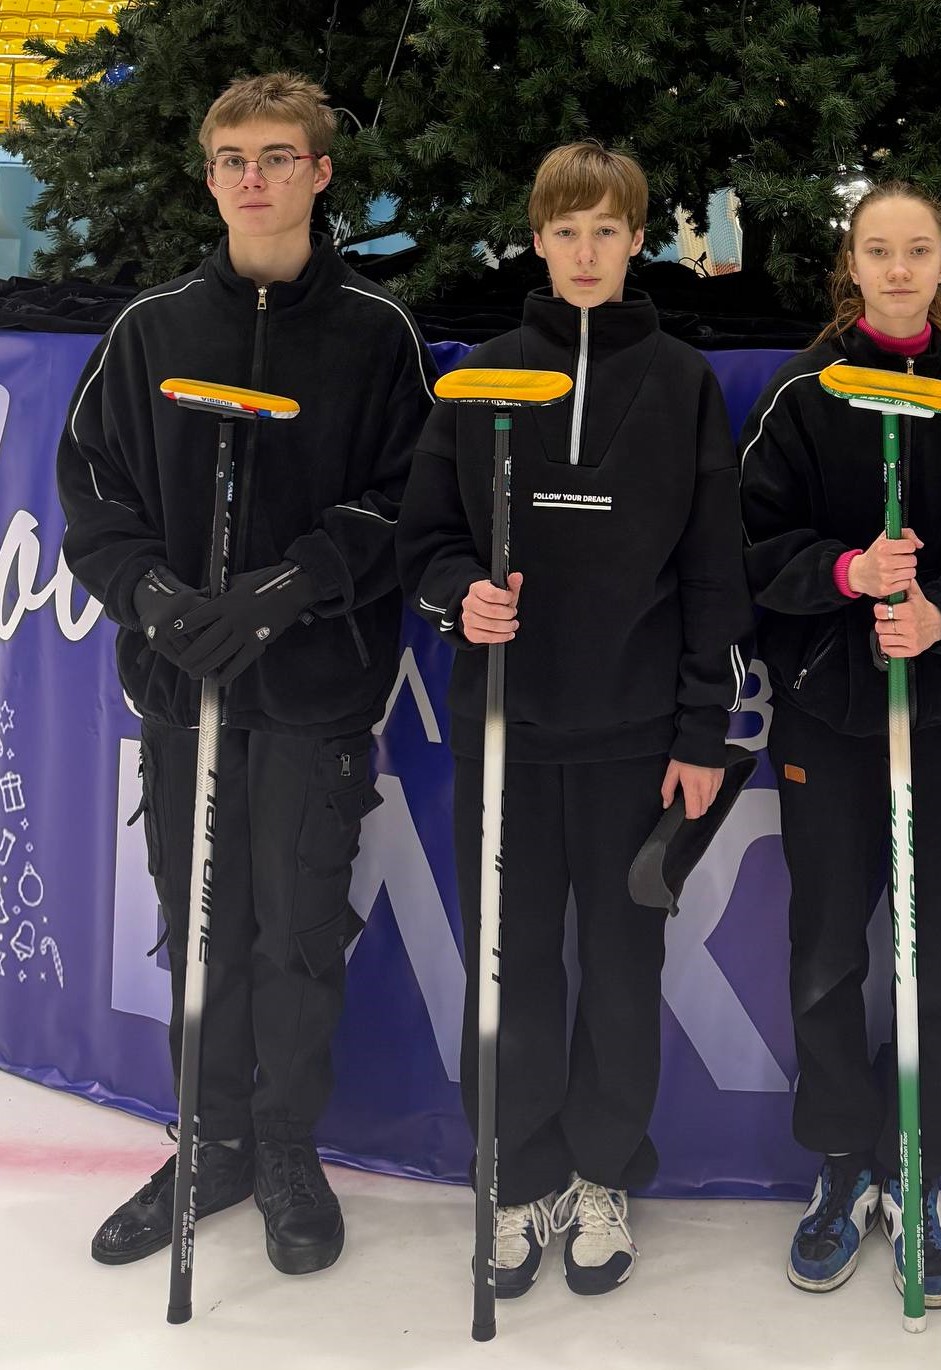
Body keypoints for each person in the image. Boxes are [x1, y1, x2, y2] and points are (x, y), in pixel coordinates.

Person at [57, 72, 435, 1276]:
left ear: (320, 173)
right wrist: (153, 597)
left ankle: (282, 1145)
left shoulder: (375, 333)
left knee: (297, 931)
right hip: (186, 688)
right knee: (202, 924)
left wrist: (294, 585)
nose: (253, 178)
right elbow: (92, 487)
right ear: (210, 175)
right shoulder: (151, 329)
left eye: (277, 157)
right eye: (233, 159)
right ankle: (209, 1140)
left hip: (315, 686)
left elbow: (408, 495)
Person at [397, 141, 752, 1298]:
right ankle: (514, 1175)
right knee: (506, 968)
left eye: (606, 230)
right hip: (506, 729)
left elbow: (713, 571)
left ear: (638, 239)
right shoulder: (479, 377)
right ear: (537, 241)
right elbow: (424, 538)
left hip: (634, 739)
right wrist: (461, 593)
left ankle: (602, 1171)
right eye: (565, 231)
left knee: (619, 968)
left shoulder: (683, 383)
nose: (586, 252)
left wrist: (700, 730)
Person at [738, 182, 941, 1308]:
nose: (900, 268)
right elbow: (747, 543)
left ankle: (920, 1165)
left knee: (938, 958)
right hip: (826, 714)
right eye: (879, 250)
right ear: (851, 264)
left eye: (919, 250)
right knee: (826, 952)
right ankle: (838, 1160)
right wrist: (847, 573)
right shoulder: (800, 392)